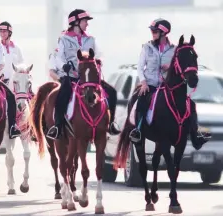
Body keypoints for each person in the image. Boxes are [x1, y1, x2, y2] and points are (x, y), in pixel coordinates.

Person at [129, 18, 211, 149]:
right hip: (149, 84)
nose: (152, 33)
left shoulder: (174, 49)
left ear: (163, 33)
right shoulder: (147, 47)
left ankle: (195, 134)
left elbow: (178, 67)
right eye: (152, 31)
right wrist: (143, 83)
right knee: (140, 101)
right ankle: (137, 130)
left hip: (166, 86)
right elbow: (140, 68)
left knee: (191, 104)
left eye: (155, 31)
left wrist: (170, 66)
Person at [46, 9, 120, 140]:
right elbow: (59, 57)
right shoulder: (64, 39)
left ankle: (111, 124)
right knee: (62, 96)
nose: (87, 24)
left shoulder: (91, 39)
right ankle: (57, 126)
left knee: (112, 92)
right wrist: (64, 65)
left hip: (90, 78)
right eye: (85, 21)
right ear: (76, 23)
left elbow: (100, 53)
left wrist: (99, 60)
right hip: (72, 77)